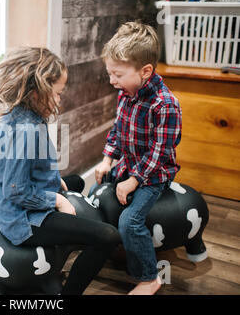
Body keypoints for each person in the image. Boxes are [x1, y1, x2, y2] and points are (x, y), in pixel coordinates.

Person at [0, 47, 120, 295]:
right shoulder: (25, 132)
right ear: (36, 92)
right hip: (22, 220)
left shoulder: (23, 115)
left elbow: (26, 171)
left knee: (74, 181)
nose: (59, 101)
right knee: (108, 237)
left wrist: (55, 181)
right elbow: (15, 190)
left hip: (22, 199)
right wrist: (55, 200)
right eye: (57, 94)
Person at [91, 21, 182, 295]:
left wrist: (134, 180)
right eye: (110, 73)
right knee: (97, 193)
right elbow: (118, 130)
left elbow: (160, 152)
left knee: (129, 220)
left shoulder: (165, 104)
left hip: (154, 174)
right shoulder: (126, 94)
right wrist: (108, 158)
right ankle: (112, 246)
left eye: (117, 74)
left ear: (145, 71)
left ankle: (149, 277)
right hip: (129, 165)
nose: (112, 81)